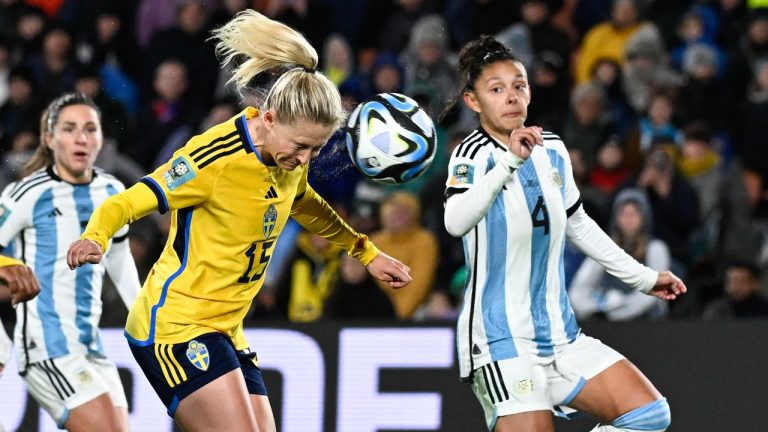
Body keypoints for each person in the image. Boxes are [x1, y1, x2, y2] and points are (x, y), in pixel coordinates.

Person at [66, 11, 412, 432]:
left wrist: (366, 251)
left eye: (316, 150)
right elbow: (129, 200)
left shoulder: (288, 154)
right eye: (301, 146)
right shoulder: (213, 159)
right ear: (269, 119)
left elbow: (303, 202)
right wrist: (96, 237)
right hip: (176, 326)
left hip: (226, 328)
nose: (305, 159)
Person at [440, 35, 686, 432]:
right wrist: (509, 161)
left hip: (560, 335)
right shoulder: (471, 155)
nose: (511, 97)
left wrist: (643, 278)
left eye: (519, 85)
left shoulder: (552, 148)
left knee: (648, 414)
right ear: (473, 101)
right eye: (496, 89)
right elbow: (455, 221)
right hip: (501, 342)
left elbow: (578, 224)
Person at [0, 92, 141, 431]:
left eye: (90, 129)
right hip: (46, 348)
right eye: (69, 129)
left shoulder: (111, 191)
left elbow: (118, 256)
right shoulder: (26, 194)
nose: (81, 138)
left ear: (101, 138)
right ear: (50, 139)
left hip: (91, 346)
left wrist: (146, 317)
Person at [569, 188, 670, 321]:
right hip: (607, 317)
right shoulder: (604, 247)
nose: (628, 219)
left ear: (644, 217)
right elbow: (579, 287)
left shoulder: (655, 248)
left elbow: (656, 290)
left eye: (634, 214)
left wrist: (618, 311)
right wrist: (594, 310)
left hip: (646, 321)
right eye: (624, 214)